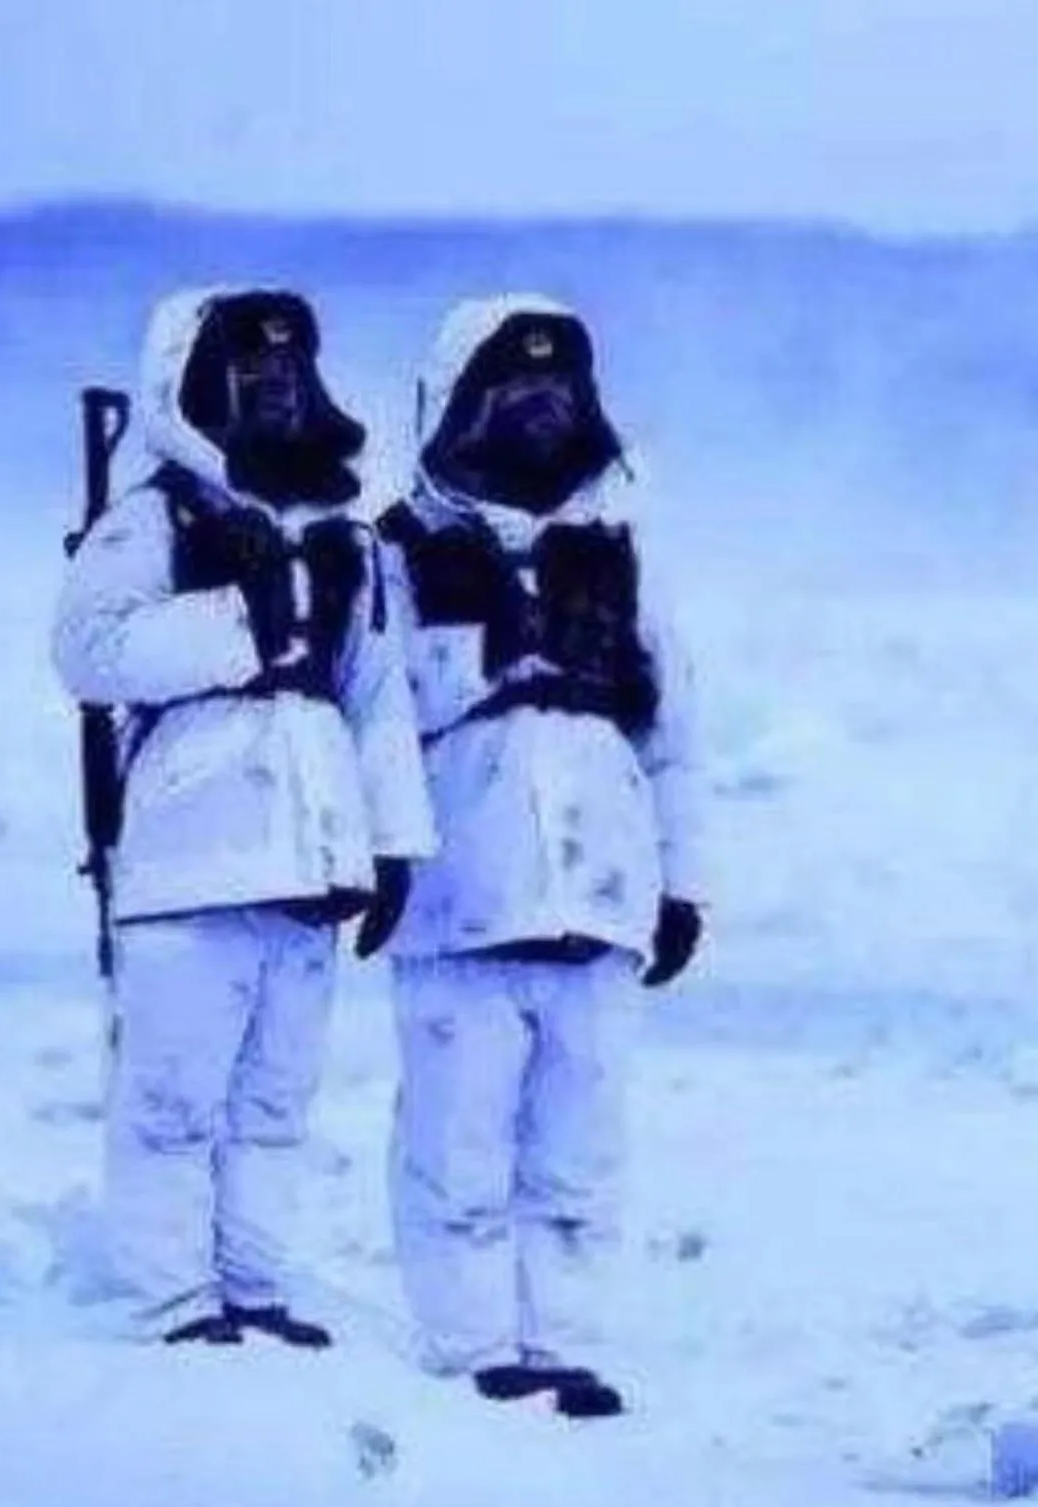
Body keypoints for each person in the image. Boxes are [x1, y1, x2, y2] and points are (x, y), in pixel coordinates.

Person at [53, 286, 434, 1345]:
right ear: (192, 385)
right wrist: (238, 620)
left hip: (309, 862)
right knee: (172, 1101)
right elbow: (87, 650)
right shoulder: (155, 517)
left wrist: (393, 843)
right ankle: (172, 1301)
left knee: (274, 1101)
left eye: (291, 370)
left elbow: (375, 695)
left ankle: (254, 1287)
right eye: (251, 371)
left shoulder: (344, 536)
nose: (278, 387)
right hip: (188, 856)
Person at [379, 294, 704, 1418]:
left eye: (557, 388)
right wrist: (382, 855)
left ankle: (561, 1344)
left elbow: (674, 733)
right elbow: (374, 719)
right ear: (459, 403)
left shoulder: (618, 554)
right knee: (455, 1142)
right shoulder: (397, 552)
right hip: (458, 898)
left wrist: (683, 883)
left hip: (601, 896)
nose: (539, 407)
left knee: (580, 1149)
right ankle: (470, 1348)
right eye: (512, 388)